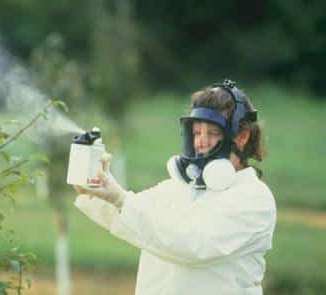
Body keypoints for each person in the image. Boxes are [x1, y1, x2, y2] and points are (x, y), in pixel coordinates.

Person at [72, 79, 276, 295]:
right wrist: (98, 187)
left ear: (242, 137)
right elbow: (132, 218)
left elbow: (191, 246)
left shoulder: (254, 199)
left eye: (213, 133)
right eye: (197, 132)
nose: (201, 142)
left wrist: (121, 199)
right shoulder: (179, 188)